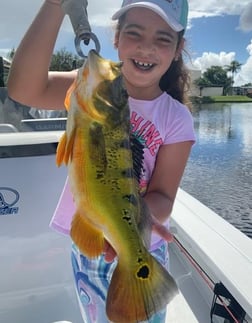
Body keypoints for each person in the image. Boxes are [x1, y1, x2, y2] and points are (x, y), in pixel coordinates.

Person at [8, 0, 196, 322]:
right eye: (134, 32)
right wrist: (55, 5)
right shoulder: (89, 86)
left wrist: (129, 229)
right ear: (116, 38)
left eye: (163, 39)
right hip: (88, 249)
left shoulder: (176, 118)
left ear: (178, 48)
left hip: (142, 248)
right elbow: (23, 89)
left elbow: (164, 196)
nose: (146, 47)